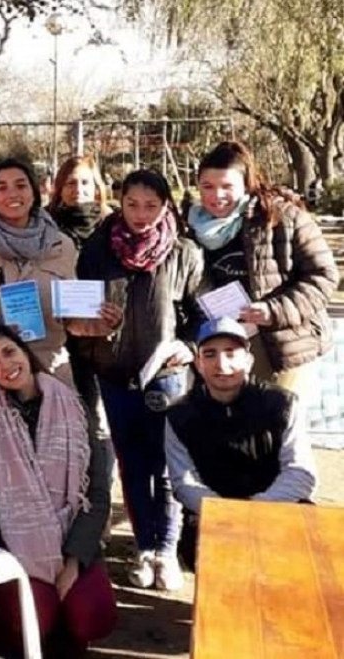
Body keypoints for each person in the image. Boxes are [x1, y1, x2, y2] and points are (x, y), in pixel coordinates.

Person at [71, 169, 207, 591]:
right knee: (132, 465)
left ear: (166, 205)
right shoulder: (97, 249)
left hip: (167, 376)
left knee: (168, 466)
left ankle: (167, 549)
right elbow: (77, 307)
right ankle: (144, 546)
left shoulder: (185, 252)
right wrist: (92, 321)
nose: (141, 214)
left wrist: (189, 344)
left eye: (151, 205)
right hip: (113, 373)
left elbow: (202, 313)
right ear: (120, 202)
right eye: (132, 204)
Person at [0, 325, 116, 656]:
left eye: (9, 352)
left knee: (92, 616)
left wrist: (73, 561)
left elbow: (97, 491)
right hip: (16, 548)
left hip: (71, 540)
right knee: (34, 618)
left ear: (25, 352)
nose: (6, 365)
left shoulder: (72, 405)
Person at [165, 317, 318, 571]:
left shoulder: (282, 404)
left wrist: (255, 509)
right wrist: (226, 515)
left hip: (277, 512)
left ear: (248, 360)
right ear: (199, 364)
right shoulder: (179, 415)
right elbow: (184, 482)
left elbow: (301, 474)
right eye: (210, 354)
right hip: (215, 518)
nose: (222, 364)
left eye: (231, 353)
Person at [190, 141, 338, 397]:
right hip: (218, 345)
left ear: (246, 185)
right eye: (208, 187)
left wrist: (273, 310)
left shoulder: (283, 218)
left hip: (279, 344)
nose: (217, 196)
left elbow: (324, 276)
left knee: (277, 428)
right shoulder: (189, 228)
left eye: (227, 186)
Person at [0, 158, 79, 384]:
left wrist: (98, 320)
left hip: (52, 369)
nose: (12, 193)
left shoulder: (62, 245)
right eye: (1, 188)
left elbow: (72, 314)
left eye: (21, 186)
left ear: (34, 192)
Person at [47, 155, 110, 248]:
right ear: (60, 190)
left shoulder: (112, 226)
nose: (78, 190)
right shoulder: (45, 225)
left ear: (96, 189)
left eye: (85, 183)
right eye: (71, 183)